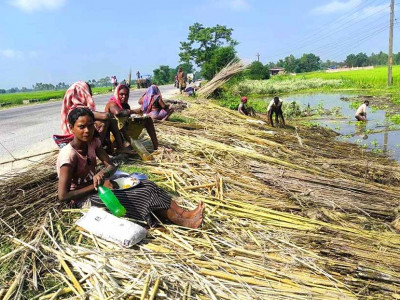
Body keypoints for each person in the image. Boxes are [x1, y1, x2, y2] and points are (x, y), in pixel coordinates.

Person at [57, 107, 204, 228]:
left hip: (98, 187)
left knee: (147, 184)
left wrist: (102, 173)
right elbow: (63, 196)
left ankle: (184, 213)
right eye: (81, 127)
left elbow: (110, 165)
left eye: (90, 126)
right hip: (83, 199)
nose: (87, 131)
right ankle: (181, 221)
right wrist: (96, 186)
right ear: (71, 128)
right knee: (141, 195)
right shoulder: (69, 156)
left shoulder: (92, 142)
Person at [60, 81, 130, 154]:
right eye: (88, 92)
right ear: (83, 93)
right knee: (104, 122)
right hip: (79, 140)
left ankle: (119, 147)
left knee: (109, 121)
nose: (91, 94)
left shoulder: (77, 107)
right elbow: (105, 116)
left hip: (85, 137)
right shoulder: (77, 110)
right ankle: (96, 150)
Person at [105, 84, 158, 150]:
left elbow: (127, 120)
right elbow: (118, 113)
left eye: (126, 95)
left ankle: (156, 146)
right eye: (121, 94)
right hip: (113, 135)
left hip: (124, 132)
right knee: (129, 149)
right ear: (117, 94)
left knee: (148, 120)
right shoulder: (112, 103)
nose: (124, 97)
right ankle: (121, 146)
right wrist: (135, 111)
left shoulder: (126, 105)